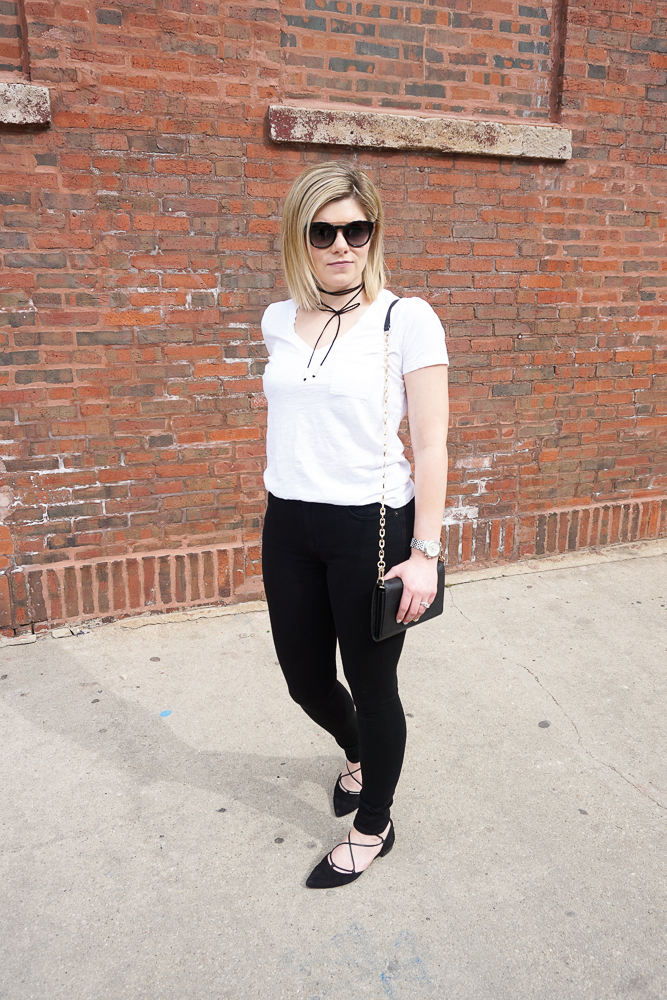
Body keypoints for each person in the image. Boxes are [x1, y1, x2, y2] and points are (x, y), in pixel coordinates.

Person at [260, 161, 449, 888]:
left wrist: (424, 554)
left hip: (371, 526)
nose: (342, 245)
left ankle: (374, 823)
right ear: (299, 239)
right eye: (323, 231)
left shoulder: (407, 318)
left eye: (356, 229)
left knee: (374, 689)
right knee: (304, 679)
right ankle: (357, 752)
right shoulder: (280, 318)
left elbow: (429, 444)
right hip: (289, 523)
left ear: (373, 234)